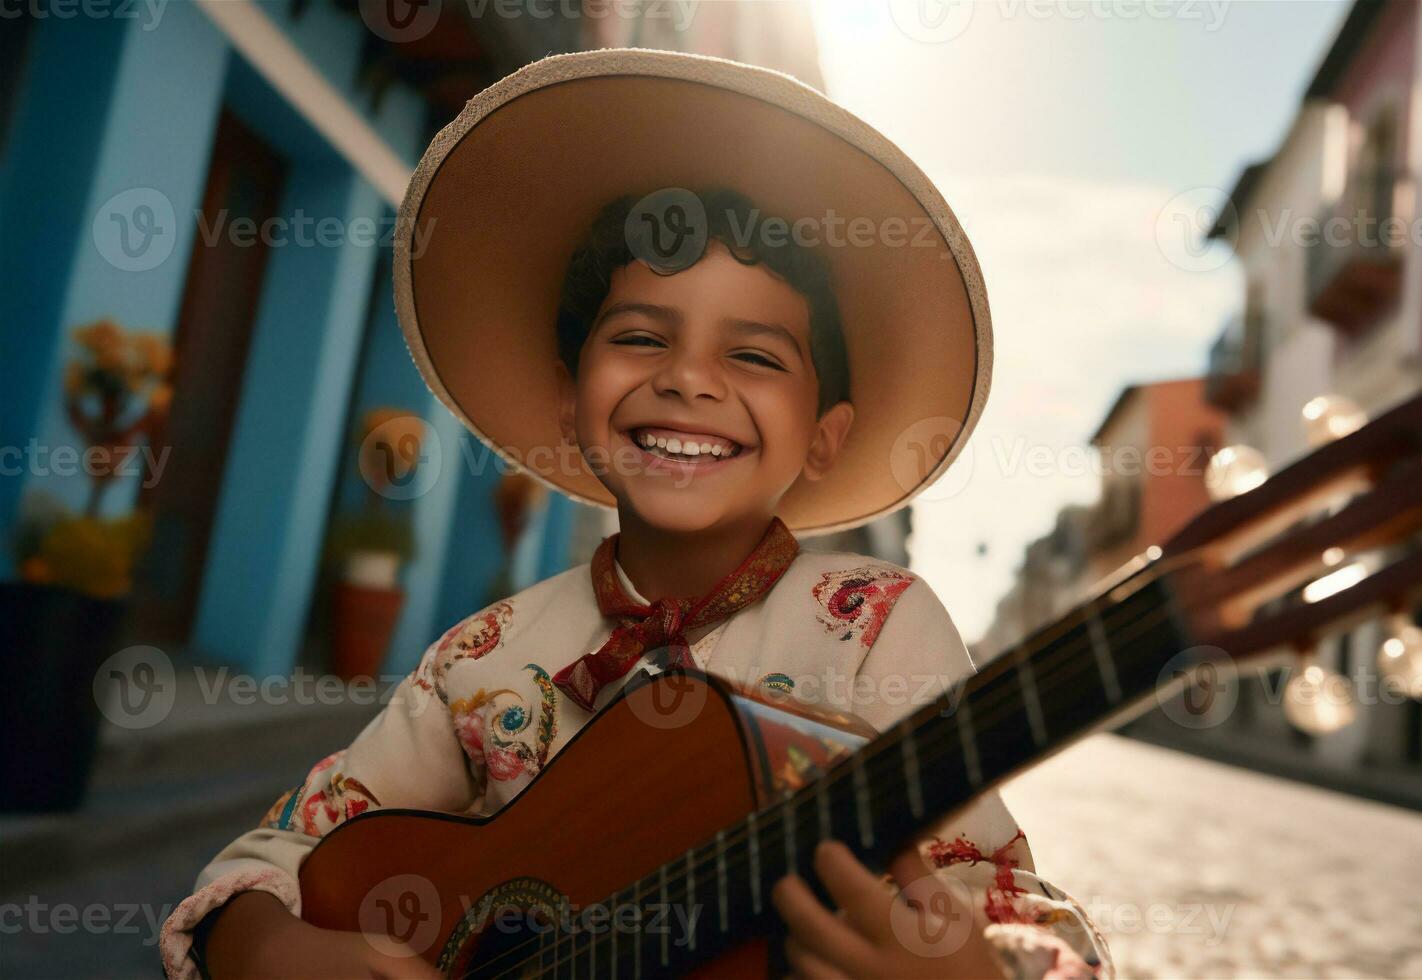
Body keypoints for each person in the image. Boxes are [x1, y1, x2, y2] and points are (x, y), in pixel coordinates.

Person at [158, 50, 1110, 980]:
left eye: (756, 356)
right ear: (572, 401)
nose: (688, 378)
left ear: (825, 435)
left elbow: (1006, 896)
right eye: (643, 336)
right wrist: (266, 944)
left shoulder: (879, 626)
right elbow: (279, 850)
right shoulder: (479, 656)